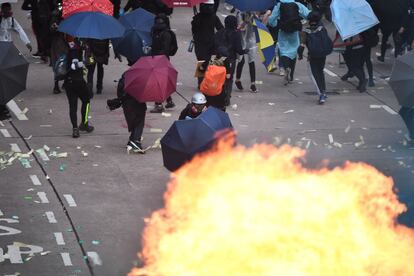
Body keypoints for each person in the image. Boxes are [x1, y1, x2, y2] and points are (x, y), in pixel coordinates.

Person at [264, 0, 310, 85]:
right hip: (294, 32)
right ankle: (291, 75)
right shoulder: (297, 4)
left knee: (284, 51)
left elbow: (271, 21)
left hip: (283, 31)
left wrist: (275, 24)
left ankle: (286, 68)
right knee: (293, 52)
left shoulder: (279, 5)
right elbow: (308, 15)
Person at [299, 11, 332, 104]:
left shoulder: (305, 31)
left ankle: (321, 94)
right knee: (320, 72)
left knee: (314, 75)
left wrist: (300, 55)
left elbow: (301, 46)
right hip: (322, 55)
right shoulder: (322, 29)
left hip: (312, 56)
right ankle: (324, 91)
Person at [64, 38, 94, 138]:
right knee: (86, 100)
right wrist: (86, 62)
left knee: (73, 106)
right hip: (78, 81)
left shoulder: (71, 46)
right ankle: (84, 123)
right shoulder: (75, 49)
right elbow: (75, 65)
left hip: (68, 81)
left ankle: (75, 129)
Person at [214, 15, 245, 106]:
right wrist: (245, 51)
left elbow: (214, 45)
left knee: (219, 78)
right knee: (229, 79)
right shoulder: (236, 34)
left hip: (219, 59)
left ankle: (218, 95)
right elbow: (239, 50)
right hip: (231, 59)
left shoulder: (219, 33)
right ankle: (226, 98)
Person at [191, 2, 223, 88]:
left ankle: (200, 83)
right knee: (211, 63)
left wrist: (195, 20)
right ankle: (209, 81)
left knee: (201, 62)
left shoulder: (197, 17)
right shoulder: (214, 17)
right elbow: (220, 29)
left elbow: (194, 30)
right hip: (211, 42)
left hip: (199, 43)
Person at [150, 13, 176, 113]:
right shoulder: (155, 32)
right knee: (162, 82)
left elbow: (165, 50)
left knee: (158, 83)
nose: (158, 24)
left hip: (161, 61)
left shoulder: (166, 34)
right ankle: (169, 100)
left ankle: (159, 105)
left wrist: (157, 56)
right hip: (157, 59)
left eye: (160, 22)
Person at [235, 11, 258, 93]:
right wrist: (246, 22)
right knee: (241, 61)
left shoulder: (253, 14)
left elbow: (258, 26)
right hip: (241, 40)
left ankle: (253, 84)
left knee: (251, 62)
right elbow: (239, 28)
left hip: (251, 41)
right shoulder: (239, 14)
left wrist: (254, 18)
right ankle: (237, 80)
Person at [49, 4, 68, 94]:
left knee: (61, 62)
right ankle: (57, 84)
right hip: (60, 43)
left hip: (64, 42)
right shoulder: (56, 14)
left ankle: (63, 82)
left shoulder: (67, 13)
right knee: (59, 62)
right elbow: (52, 28)